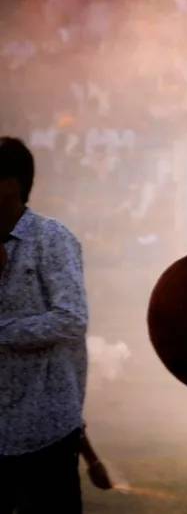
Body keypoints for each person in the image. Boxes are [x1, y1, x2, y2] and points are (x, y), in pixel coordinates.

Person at [0, 136, 89, 514]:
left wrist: (3, 333)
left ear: (12, 186)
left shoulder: (50, 239)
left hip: (45, 425)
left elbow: (72, 319)